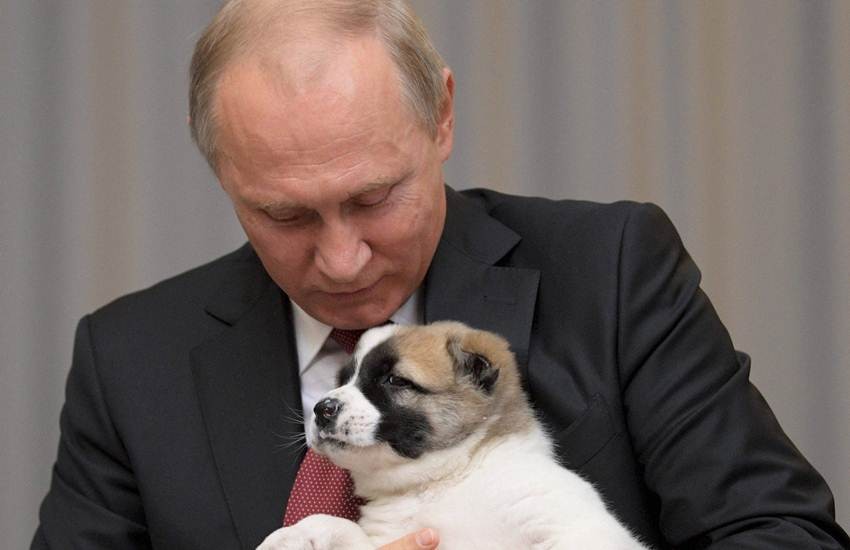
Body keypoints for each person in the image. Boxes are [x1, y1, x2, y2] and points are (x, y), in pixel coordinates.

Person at [32, 1, 849, 549]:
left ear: (442, 116)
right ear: (219, 166)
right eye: (284, 214)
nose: (342, 260)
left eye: (375, 198)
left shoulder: (610, 269)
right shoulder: (127, 359)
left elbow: (781, 532)